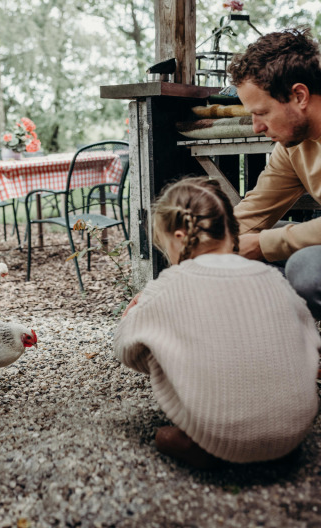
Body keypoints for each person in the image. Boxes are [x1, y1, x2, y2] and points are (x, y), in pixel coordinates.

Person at [113, 177, 320, 469]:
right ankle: (276, 431)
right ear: (230, 228)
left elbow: (126, 351)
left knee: (162, 435)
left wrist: (140, 321)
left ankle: (216, 443)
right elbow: (310, 339)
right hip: (293, 436)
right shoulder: (274, 278)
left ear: (181, 237)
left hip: (218, 439)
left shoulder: (168, 285)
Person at [228, 27, 321, 319]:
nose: (256, 127)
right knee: (228, 247)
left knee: (307, 268)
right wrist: (171, 283)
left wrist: (262, 244)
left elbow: (263, 243)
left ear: (299, 96)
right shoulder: (293, 146)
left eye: (262, 112)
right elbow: (252, 213)